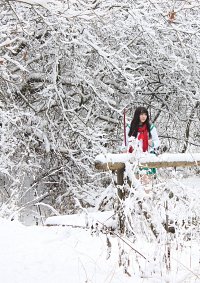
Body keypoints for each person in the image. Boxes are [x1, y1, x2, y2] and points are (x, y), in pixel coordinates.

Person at [125, 106, 160, 191]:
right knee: (134, 188)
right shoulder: (130, 128)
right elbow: (125, 143)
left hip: (147, 159)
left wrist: (152, 143)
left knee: (146, 188)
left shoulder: (150, 128)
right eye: (141, 114)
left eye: (145, 114)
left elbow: (158, 143)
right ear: (137, 115)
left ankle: (147, 203)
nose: (144, 117)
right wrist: (125, 147)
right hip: (134, 160)